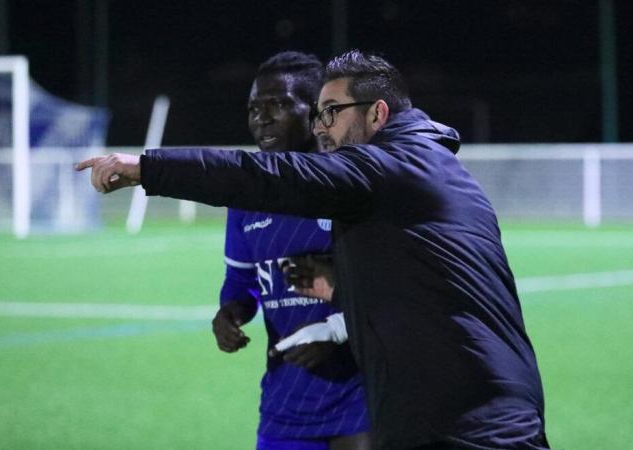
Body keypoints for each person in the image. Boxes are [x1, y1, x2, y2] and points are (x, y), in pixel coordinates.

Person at [77, 50, 549, 450]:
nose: (321, 128)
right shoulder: (435, 168)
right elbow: (415, 283)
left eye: (331, 112)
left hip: (462, 424)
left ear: (377, 113)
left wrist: (146, 168)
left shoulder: (387, 169)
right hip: (471, 413)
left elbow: (263, 175)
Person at [211, 50, 370, 450]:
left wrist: (338, 336)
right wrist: (231, 312)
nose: (262, 117)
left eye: (279, 104)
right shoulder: (246, 198)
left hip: (360, 397)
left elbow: (393, 290)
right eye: (254, 108)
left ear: (317, 113)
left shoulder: (350, 186)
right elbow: (242, 281)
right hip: (285, 401)